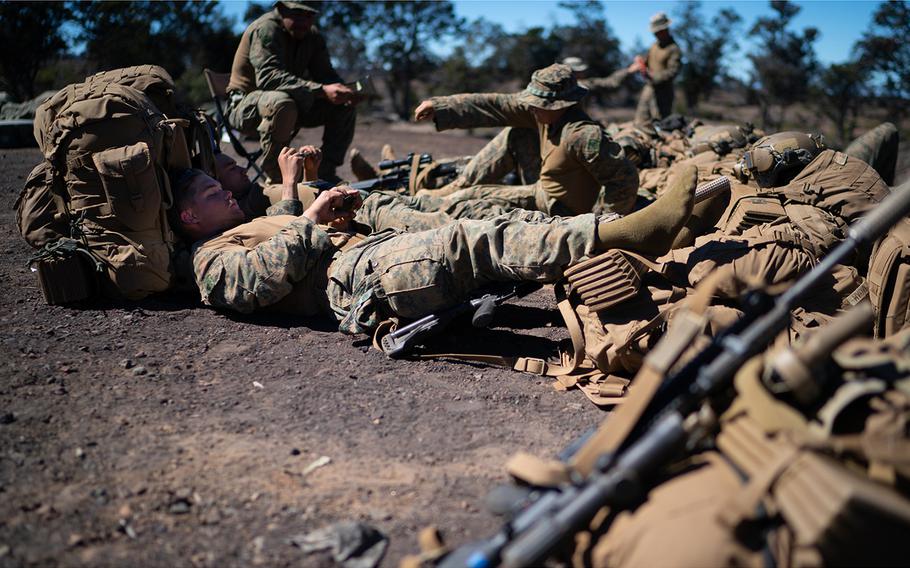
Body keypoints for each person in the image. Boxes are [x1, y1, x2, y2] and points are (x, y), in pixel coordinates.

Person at [172, 147, 698, 335]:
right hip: (353, 282)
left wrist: (317, 209)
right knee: (469, 242)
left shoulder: (244, 225)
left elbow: (281, 230)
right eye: (213, 191)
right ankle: (627, 234)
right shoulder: (207, 260)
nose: (228, 192)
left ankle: (627, 237)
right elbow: (258, 283)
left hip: (363, 251)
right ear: (190, 216)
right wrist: (311, 217)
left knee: (462, 217)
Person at [412, 63, 639, 217]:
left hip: (560, 209)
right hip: (543, 188)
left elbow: (624, 179)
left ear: (560, 105)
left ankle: (440, 202)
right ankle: (457, 186)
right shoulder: (544, 116)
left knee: (470, 199)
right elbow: (495, 104)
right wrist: (441, 106)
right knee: (517, 132)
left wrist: (601, 225)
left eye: (538, 103)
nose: (531, 107)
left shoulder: (583, 135)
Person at [225, 1, 359, 184]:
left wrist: (345, 91)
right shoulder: (265, 29)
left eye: (309, 16)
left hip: (293, 104)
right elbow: (268, 78)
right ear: (281, 9)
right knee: (282, 102)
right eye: (297, 15)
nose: (303, 22)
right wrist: (321, 90)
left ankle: (324, 173)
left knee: (343, 105)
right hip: (246, 108)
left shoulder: (312, 37)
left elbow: (326, 75)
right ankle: (277, 179)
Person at [633, 12, 682, 125]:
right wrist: (641, 62)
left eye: (658, 32)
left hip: (664, 92)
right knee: (641, 121)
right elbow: (648, 60)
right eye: (654, 32)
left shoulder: (674, 49)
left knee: (660, 123)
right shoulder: (654, 46)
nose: (655, 35)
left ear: (665, 30)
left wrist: (653, 76)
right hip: (649, 88)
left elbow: (672, 72)